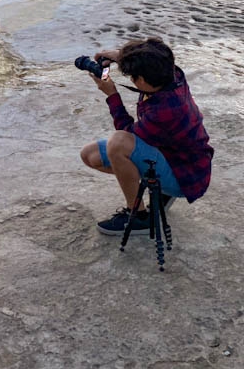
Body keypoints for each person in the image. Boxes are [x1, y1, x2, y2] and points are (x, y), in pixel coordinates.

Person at [80, 37, 213, 235]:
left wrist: (111, 94)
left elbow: (126, 134)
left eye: (131, 75)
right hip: (176, 156)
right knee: (90, 155)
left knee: (117, 144)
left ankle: (140, 218)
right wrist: (117, 57)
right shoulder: (171, 74)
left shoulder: (165, 109)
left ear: (140, 79)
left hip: (185, 176)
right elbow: (154, 54)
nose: (130, 78)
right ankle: (160, 192)